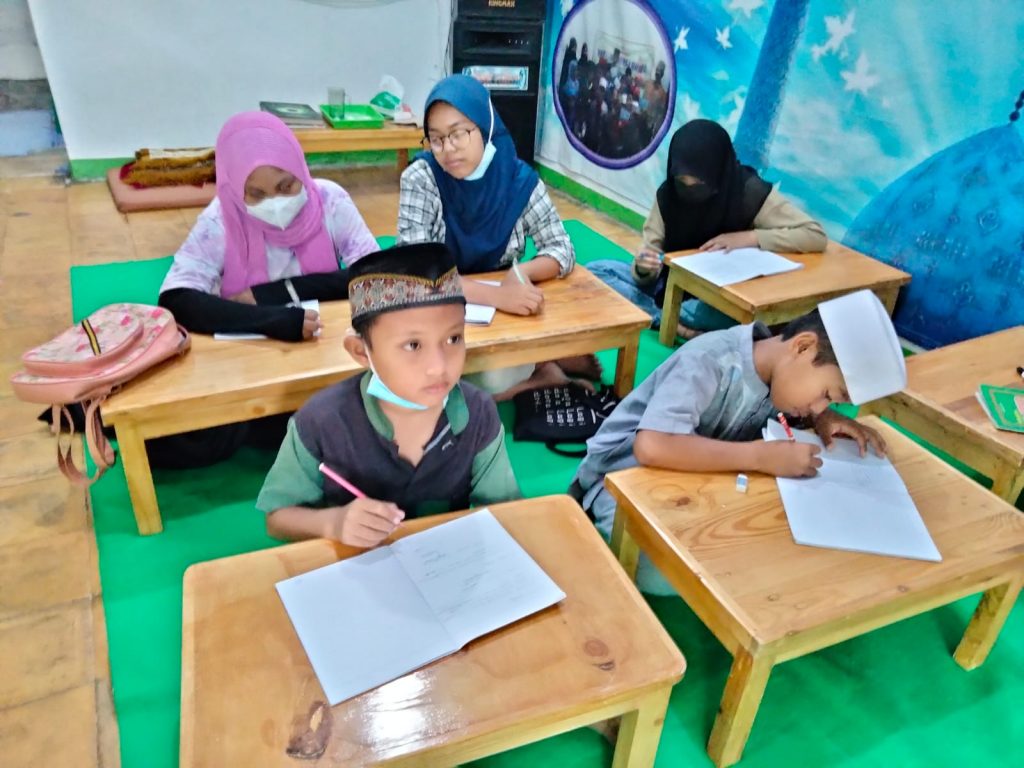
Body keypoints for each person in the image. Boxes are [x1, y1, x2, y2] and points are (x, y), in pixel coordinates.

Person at [569, 289, 907, 594]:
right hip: (621, 479)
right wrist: (759, 457)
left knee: (765, 545)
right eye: (827, 394)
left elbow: (799, 405)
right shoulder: (710, 359)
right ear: (803, 346)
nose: (820, 406)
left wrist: (823, 418)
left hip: (698, 484)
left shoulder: (785, 376)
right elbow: (652, 446)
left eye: (832, 402)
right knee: (664, 573)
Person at [257, 242, 522, 545]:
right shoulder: (321, 420)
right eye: (413, 345)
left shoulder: (477, 411)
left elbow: (506, 510)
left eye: (453, 338)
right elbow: (278, 517)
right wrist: (333, 522)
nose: (438, 367)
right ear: (360, 351)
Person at [397, 74, 600, 398]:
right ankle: (541, 374)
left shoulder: (518, 180)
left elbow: (562, 248)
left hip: (501, 317)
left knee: (482, 377)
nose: (447, 149)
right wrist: (496, 296)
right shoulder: (422, 178)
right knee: (413, 371)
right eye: (435, 139)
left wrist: (519, 274)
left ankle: (537, 363)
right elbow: (417, 271)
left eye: (458, 134)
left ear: (485, 125)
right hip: (440, 306)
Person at [588, 120, 827, 339]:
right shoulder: (668, 195)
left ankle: (663, 318)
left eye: (699, 183)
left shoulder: (748, 194)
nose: (689, 189)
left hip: (719, 299)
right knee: (597, 272)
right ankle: (673, 324)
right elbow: (648, 257)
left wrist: (750, 237)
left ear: (718, 172)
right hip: (671, 287)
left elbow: (814, 235)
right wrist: (643, 267)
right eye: (683, 182)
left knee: (714, 314)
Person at [159, 111, 379, 342]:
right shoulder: (220, 219)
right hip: (250, 351)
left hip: (327, 336)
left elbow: (378, 276)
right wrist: (271, 321)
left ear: (300, 170)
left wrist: (273, 293)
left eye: (286, 186)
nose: (276, 203)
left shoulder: (329, 200)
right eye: (257, 194)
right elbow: (176, 299)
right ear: (236, 190)